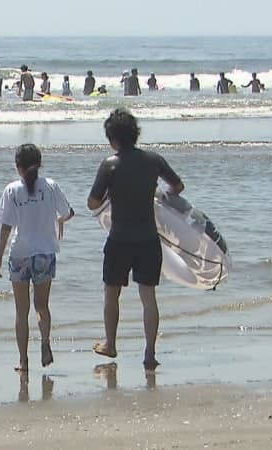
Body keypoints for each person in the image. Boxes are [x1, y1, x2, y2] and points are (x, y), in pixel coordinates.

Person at [87, 108, 185, 371]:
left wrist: (111, 195)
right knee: (148, 296)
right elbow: (177, 186)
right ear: (135, 134)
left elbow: (92, 202)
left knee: (111, 293)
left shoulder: (110, 165)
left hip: (119, 239)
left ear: (112, 138)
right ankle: (150, 353)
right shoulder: (154, 160)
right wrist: (160, 196)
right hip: (148, 239)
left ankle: (110, 343)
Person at [0, 144, 75, 372]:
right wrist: (59, 221)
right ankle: (46, 343)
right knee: (42, 306)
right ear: (39, 164)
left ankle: (23, 361)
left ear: (17, 166)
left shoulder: (12, 190)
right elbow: (69, 212)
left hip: (19, 254)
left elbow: (6, 227)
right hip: (45, 253)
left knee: (21, 311)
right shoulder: (50, 186)